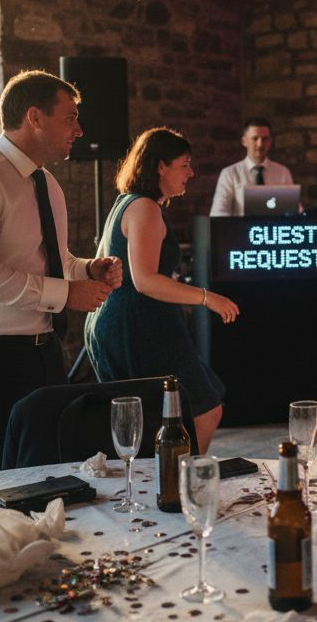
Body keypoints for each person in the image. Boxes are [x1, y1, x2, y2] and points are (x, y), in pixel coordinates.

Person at [0, 69, 122, 475]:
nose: (79, 128)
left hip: (41, 351)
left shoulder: (47, 182)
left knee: (48, 473)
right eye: (69, 117)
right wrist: (65, 294)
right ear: (34, 117)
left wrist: (87, 268)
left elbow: (51, 259)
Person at [84, 127, 238, 453]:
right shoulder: (145, 208)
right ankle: (180, 485)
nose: (191, 172)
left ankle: (169, 485)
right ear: (160, 167)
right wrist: (208, 298)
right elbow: (145, 280)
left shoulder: (130, 202)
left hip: (127, 321)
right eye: (185, 164)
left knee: (164, 417)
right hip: (139, 325)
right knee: (203, 409)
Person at [209, 117, 294, 216]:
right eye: (255, 138)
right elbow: (219, 212)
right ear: (244, 141)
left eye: (265, 139)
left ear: (270, 142)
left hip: (274, 230)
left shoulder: (283, 172)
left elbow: (292, 209)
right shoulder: (230, 174)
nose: (260, 144)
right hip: (241, 230)